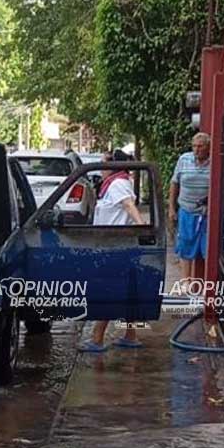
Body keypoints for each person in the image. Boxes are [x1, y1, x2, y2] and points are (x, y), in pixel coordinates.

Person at [79, 149, 144, 352]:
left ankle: (97, 338)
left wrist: (142, 227)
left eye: (105, 163)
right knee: (125, 293)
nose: (102, 168)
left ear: (114, 166)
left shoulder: (117, 184)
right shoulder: (116, 184)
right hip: (114, 244)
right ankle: (130, 335)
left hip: (114, 246)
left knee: (109, 291)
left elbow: (128, 206)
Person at [169, 132, 212, 276]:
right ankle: (185, 282)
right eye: (194, 146)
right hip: (186, 209)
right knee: (185, 246)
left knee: (206, 248)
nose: (196, 149)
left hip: (205, 212)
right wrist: (171, 208)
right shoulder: (184, 159)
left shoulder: (214, 162)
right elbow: (174, 183)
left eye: (200, 146)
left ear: (208, 147)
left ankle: (203, 284)